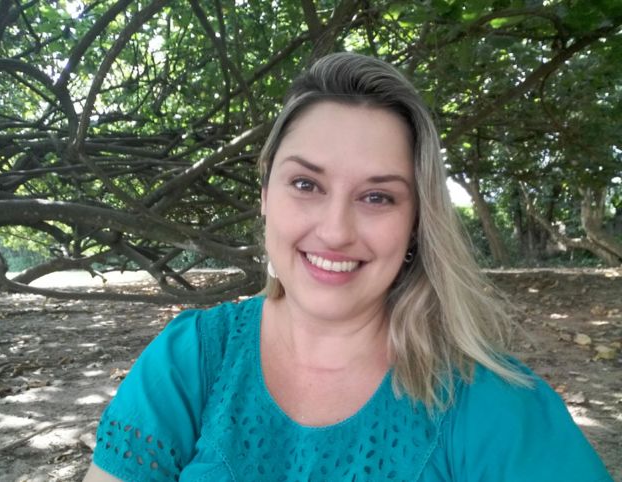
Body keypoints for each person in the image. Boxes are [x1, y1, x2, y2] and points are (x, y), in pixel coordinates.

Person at [83, 53, 612, 482]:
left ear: (416, 222)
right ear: (265, 192)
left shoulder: (489, 403)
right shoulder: (190, 361)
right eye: (306, 184)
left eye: (378, 197)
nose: (336, 231)